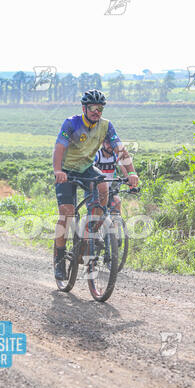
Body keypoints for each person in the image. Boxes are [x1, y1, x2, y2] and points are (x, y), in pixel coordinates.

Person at [53, 89, 138, 280]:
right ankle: (59, 258)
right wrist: (58, 171)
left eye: (100, 108)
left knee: (103, 188)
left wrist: (131, 173)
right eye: (92, 107)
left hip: (86, 169)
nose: (96, 111)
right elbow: (59, 148)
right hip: (66, 171)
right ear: (84, 107)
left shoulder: (106, 126)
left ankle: (87, 237)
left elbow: (120, 151)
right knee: (66, 213)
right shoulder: (71, 123)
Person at [94, 138, 129, 215]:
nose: (110, 145)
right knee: (98, 212)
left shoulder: (115, 156)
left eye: (112, 143)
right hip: (97, 189)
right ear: (102, 144)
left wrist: (128, 179)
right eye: (107, 143)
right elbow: (90, 168)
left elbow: (123, 166)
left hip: (109, 188)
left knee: (117, 202)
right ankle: (92, 225)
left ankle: (115, 225)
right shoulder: (97, 155)